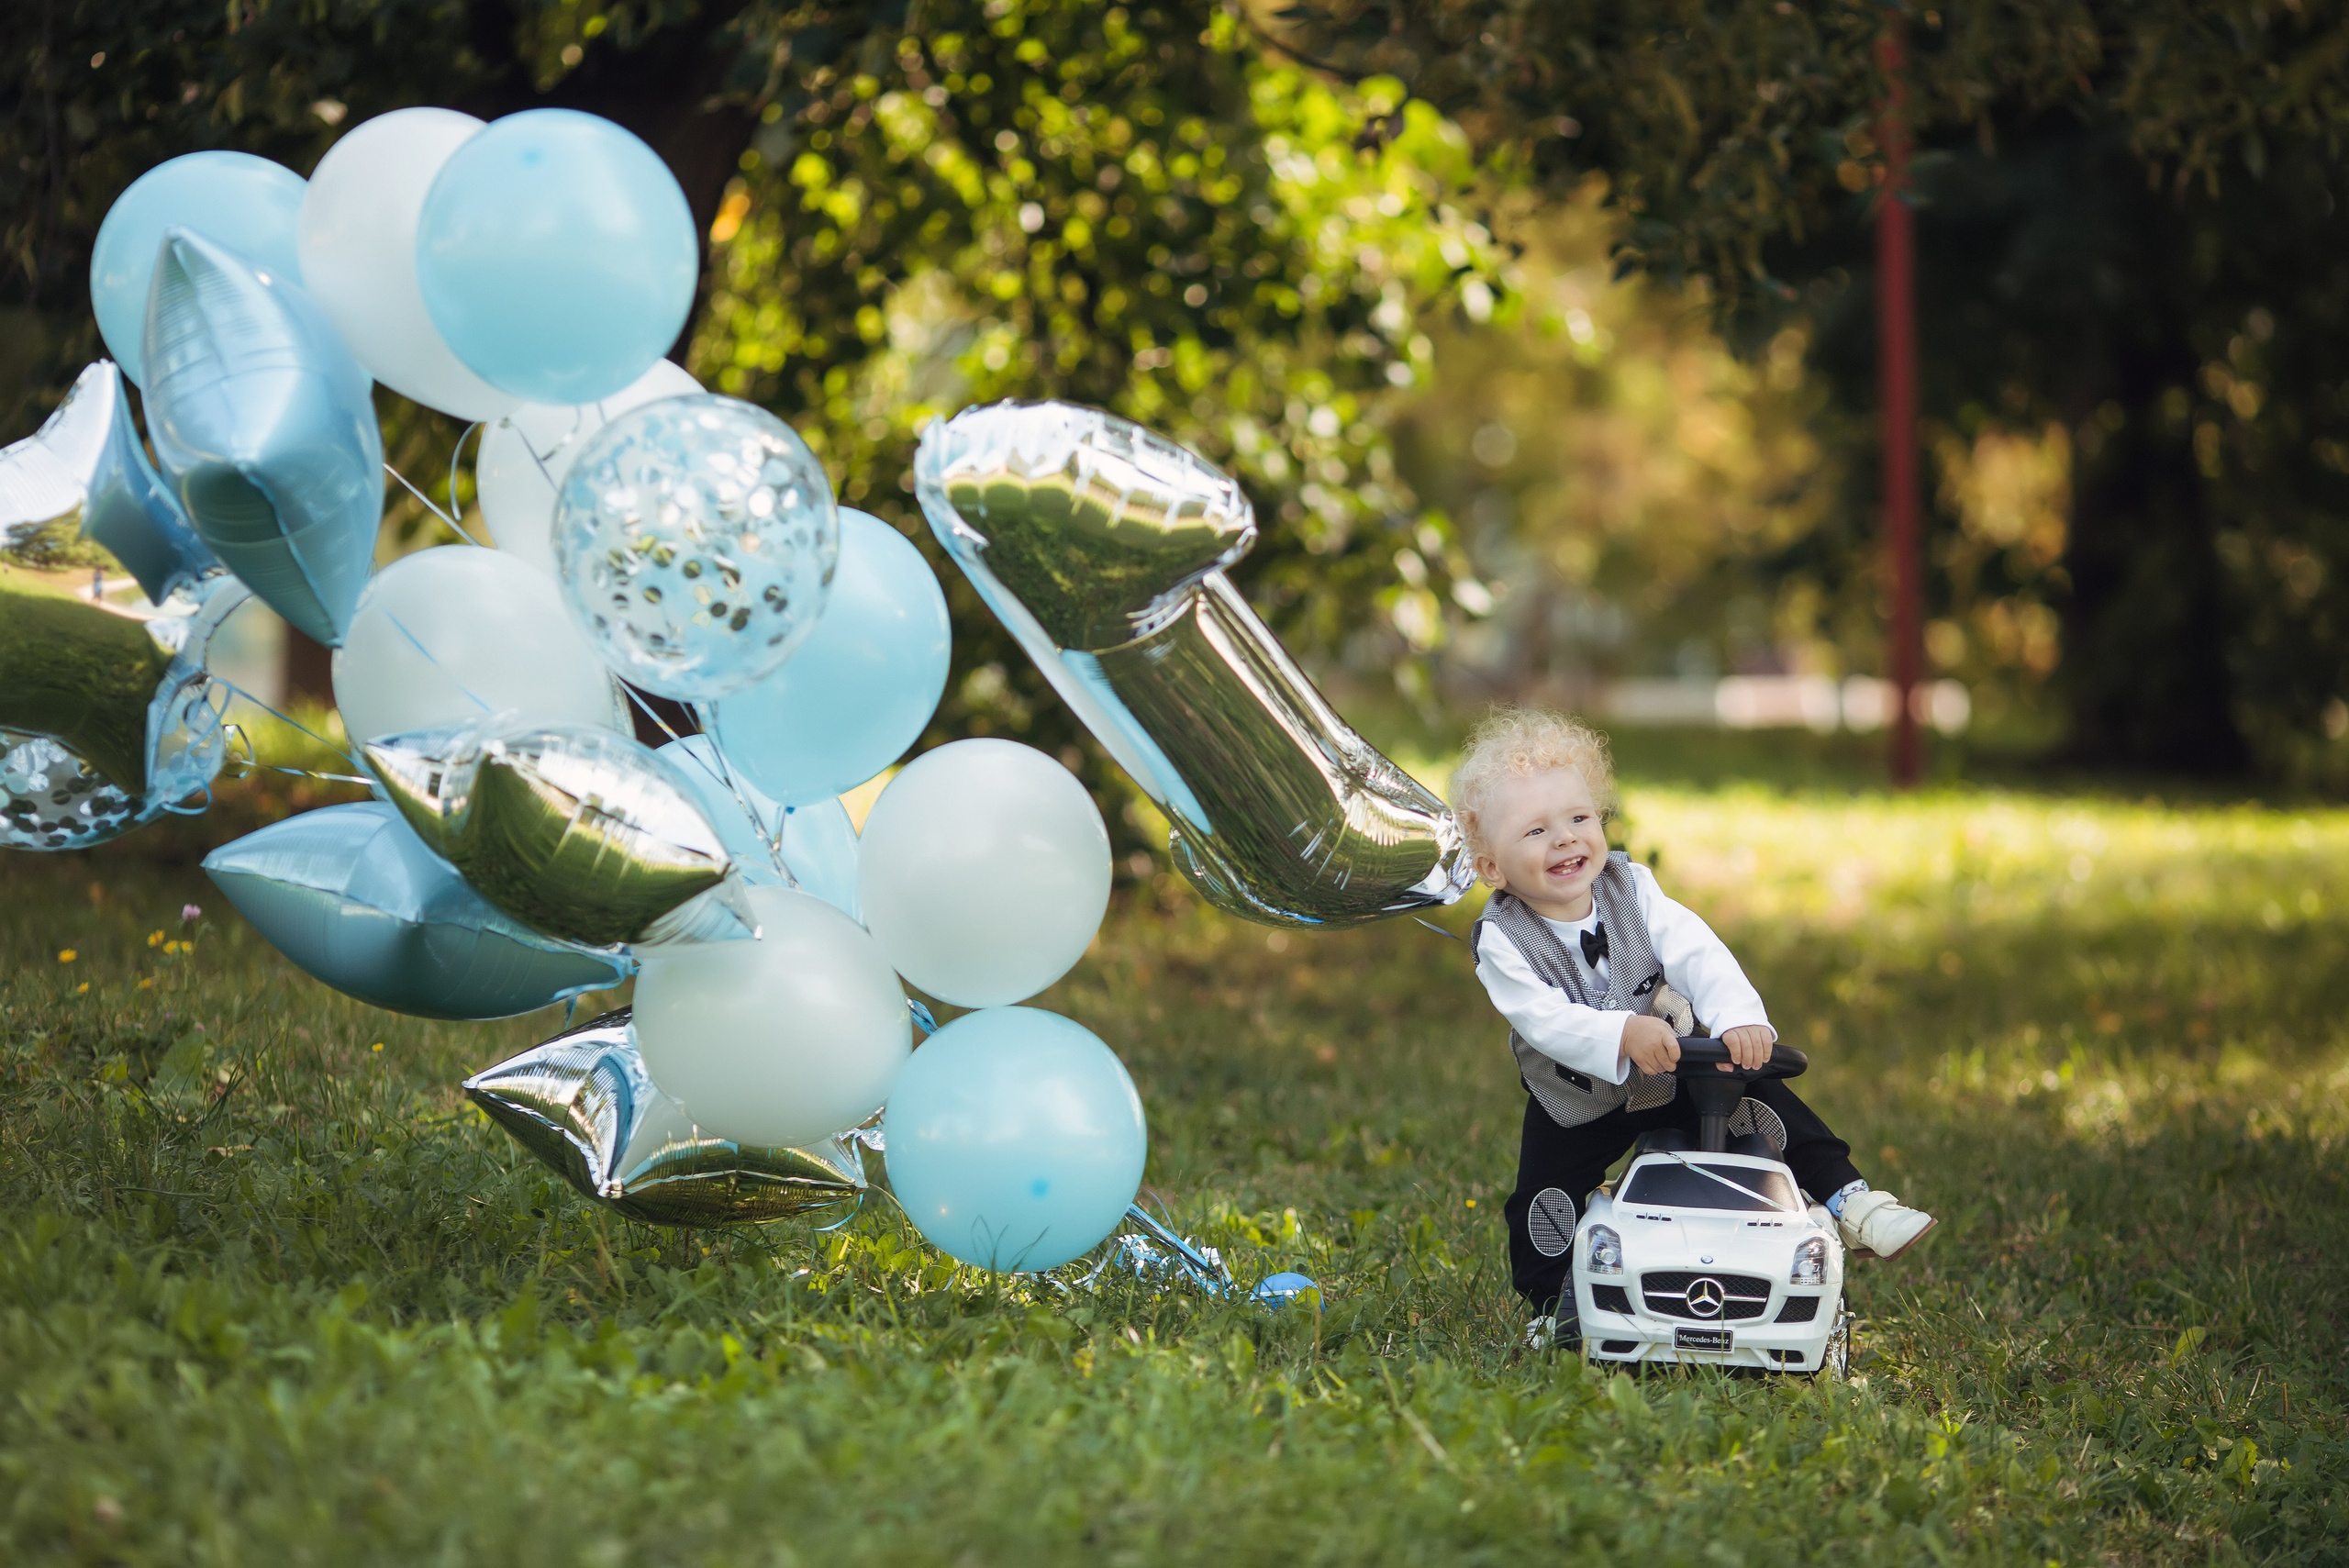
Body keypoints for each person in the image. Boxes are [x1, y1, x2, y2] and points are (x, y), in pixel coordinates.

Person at [1450, 707, 1935, 1343]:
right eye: (1536, 830)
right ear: (1492, 867)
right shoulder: (1502, 939)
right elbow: (1544, 1019)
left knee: (1769, 1104)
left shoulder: (1634, 887)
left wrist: (1737, 1017)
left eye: (1578, 817)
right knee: (1543, 1202)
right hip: (1575, 1098)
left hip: (1676, 1070)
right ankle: (1552, 1307)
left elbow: (1698, 951)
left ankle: (1853, 1201)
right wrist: (1621, 1034)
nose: (1566, 838)